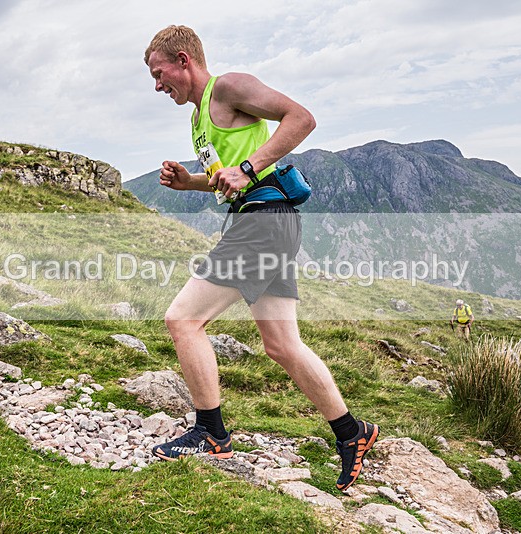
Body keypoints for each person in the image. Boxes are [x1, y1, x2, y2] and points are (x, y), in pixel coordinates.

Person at [144, 25, 379, 491]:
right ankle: (352, 433)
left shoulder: (228, 86)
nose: (157, 85)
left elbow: (302, 118)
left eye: (159, 72)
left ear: (184, 60)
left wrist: (248, 167)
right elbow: (226, 178)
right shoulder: (198, 117)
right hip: (267, 221)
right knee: (282, 346)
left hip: (264, 222)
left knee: (183, 320)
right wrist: (189, 182)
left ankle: (211, 433)